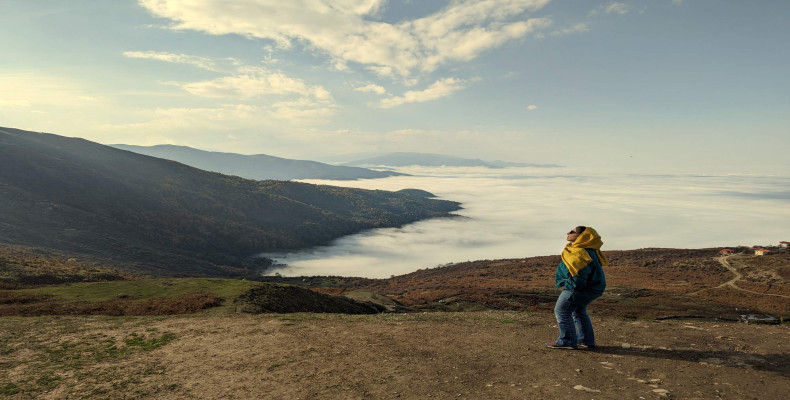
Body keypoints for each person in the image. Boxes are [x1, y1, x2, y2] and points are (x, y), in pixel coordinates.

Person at [546, 226, 608, 350]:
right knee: (578, 311)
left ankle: (567, 341)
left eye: (572, 232)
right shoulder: (588, 250)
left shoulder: (580, 252)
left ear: (581, 236)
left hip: (576, 288)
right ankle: (585, 340)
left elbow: (580, 274)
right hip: (590, 288)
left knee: (562, 311)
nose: (568, 233)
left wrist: (570, 287)